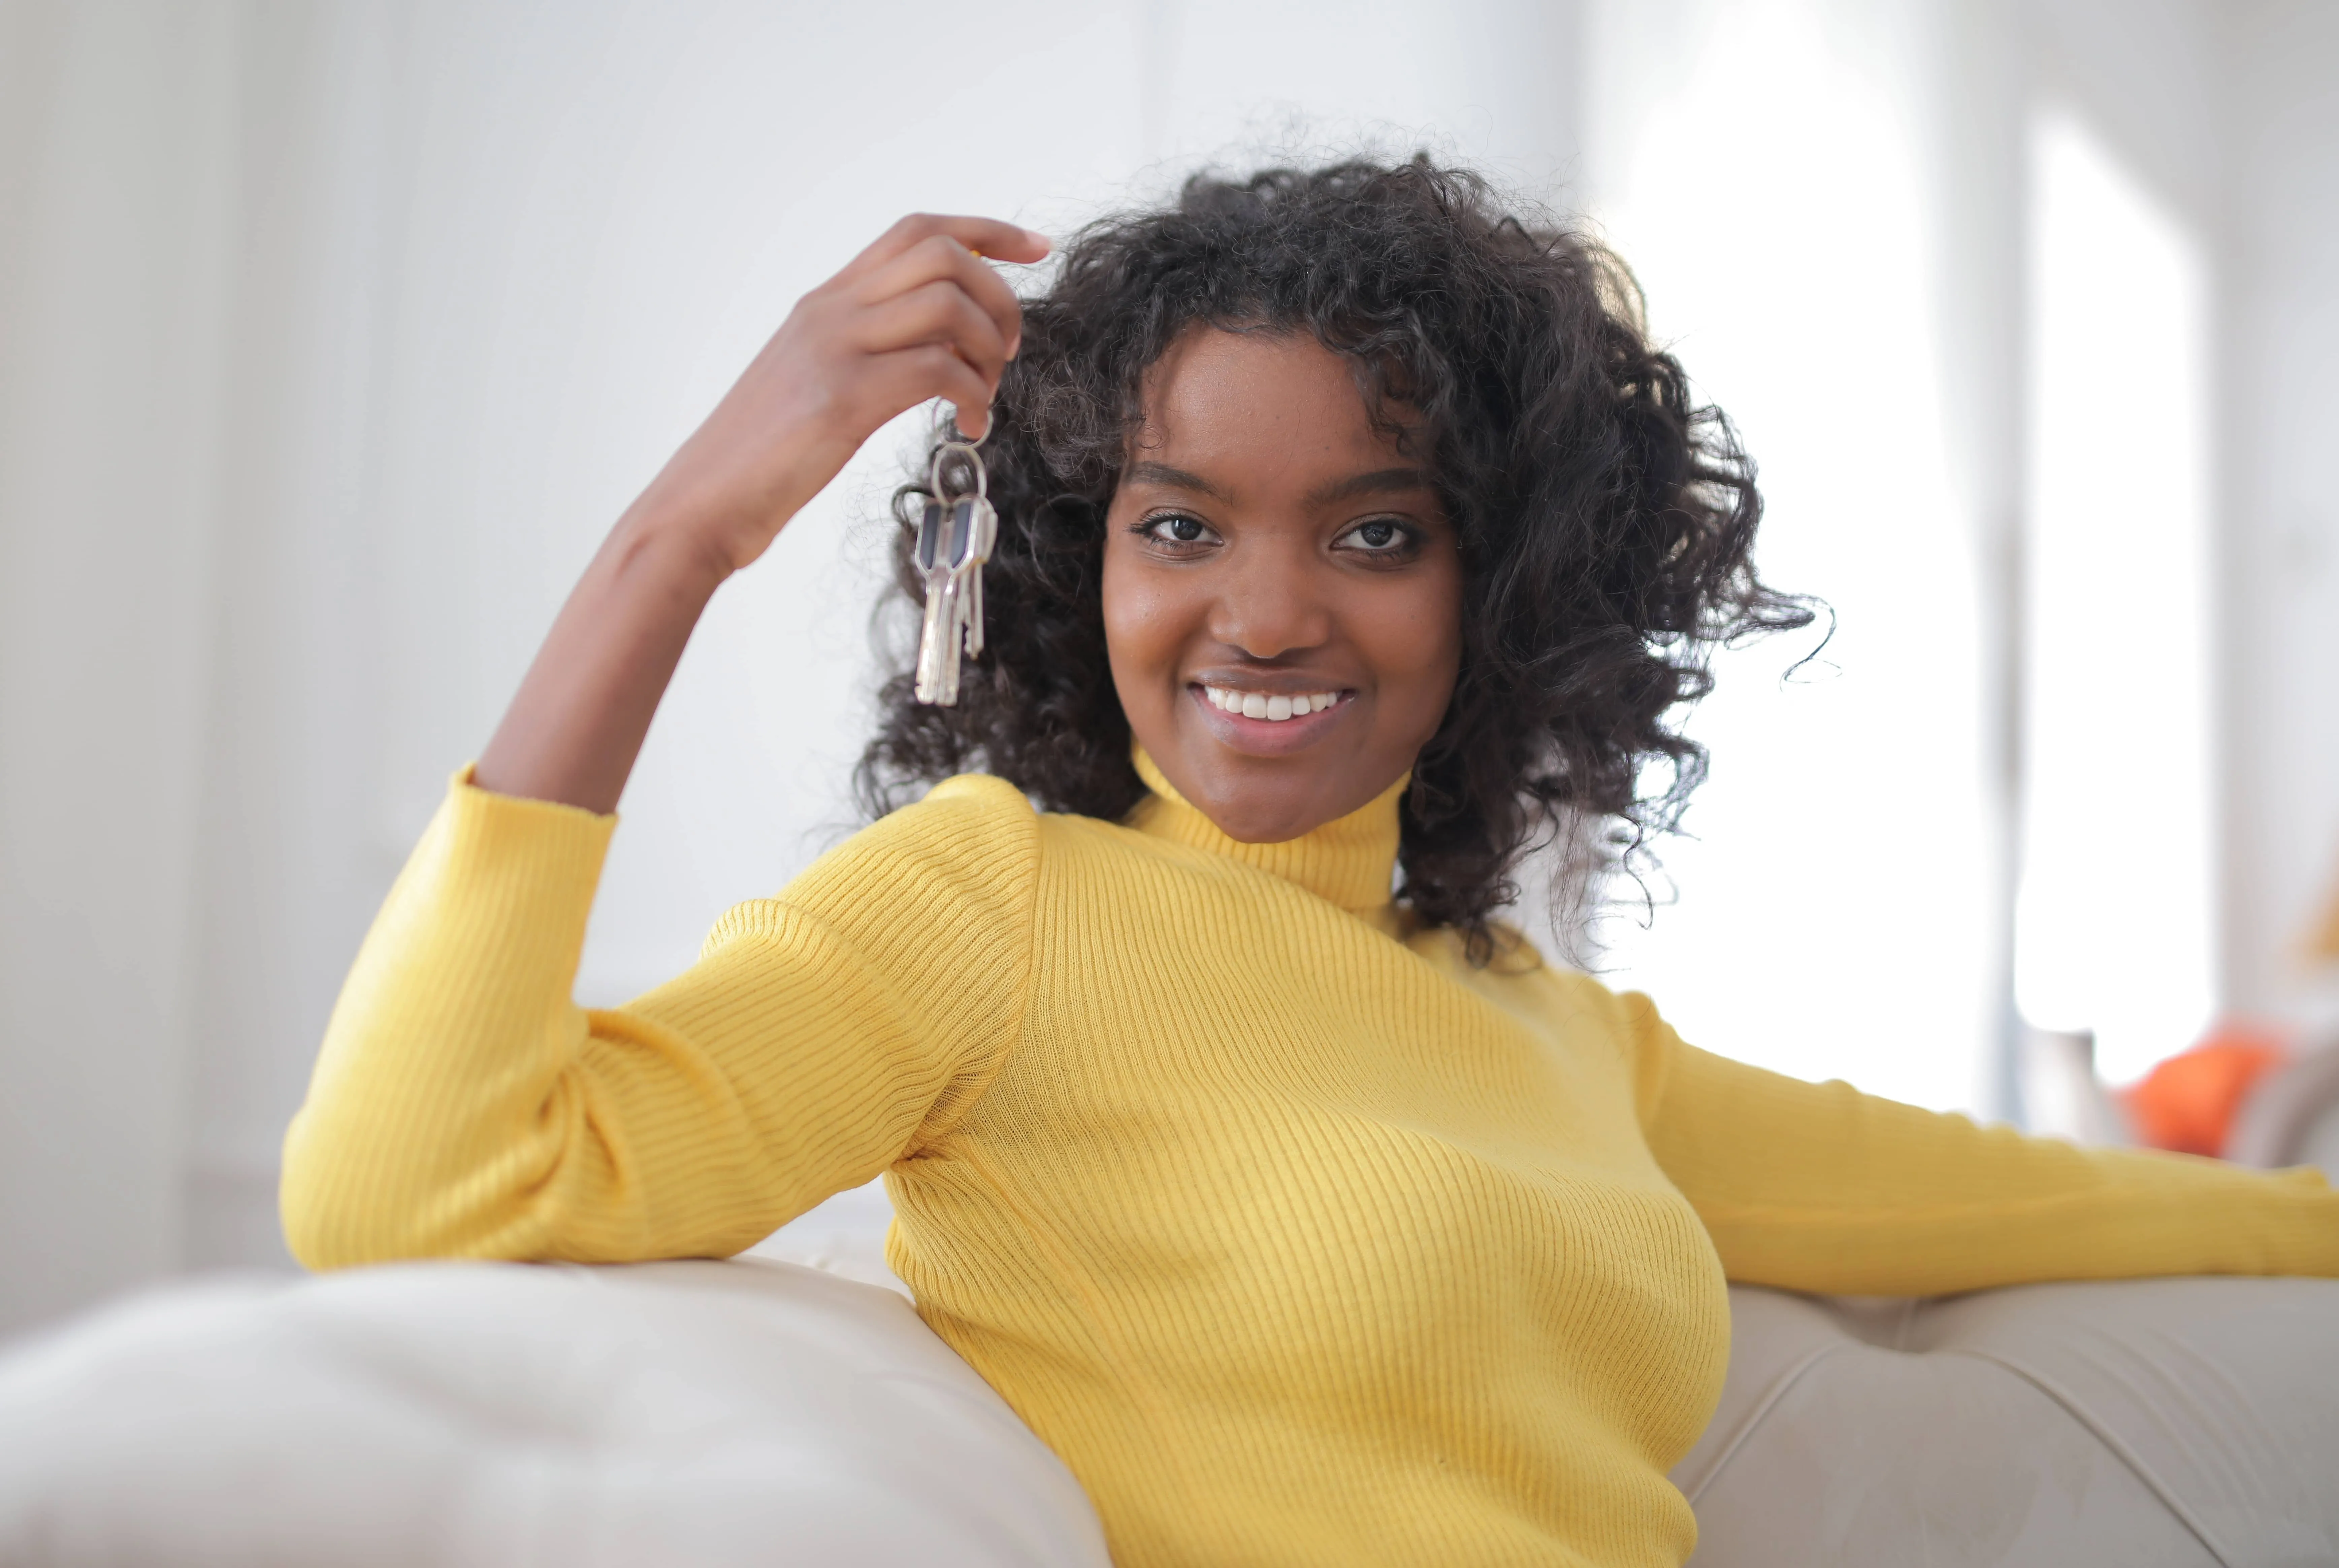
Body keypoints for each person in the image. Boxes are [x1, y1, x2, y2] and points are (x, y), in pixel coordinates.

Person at [282, 159, 2339, 1568]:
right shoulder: (997, 908)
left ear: (1504, 587)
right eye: (1180, 525)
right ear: (1076, 555)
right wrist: (680, 539)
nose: (1264, 616)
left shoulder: (1554, 1033)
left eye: (1374, 531)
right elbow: (419, 1194)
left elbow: (2062, 1198)